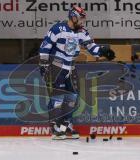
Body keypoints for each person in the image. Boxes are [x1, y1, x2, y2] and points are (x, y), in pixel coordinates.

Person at [39, 6, 115, 140]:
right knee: (58, 98)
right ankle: (56, 127)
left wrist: (103, 50)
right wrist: (44, 65)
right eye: (80, 19)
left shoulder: (82, 32)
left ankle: (66, 125)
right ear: (73, 17)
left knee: (72, 98)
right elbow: (45, 46)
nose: (82, 22)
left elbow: (92, 48)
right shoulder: (58, 29)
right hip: (57, 67)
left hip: (71, 67)